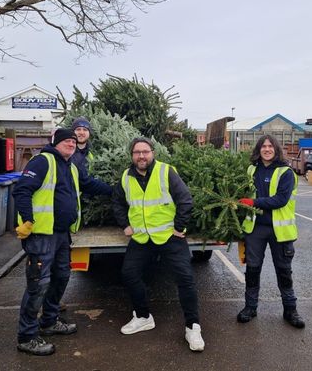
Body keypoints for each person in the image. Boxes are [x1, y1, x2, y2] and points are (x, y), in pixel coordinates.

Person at [13, 128, 112, 356]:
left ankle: (49, 321)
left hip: (61, 235)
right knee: (38, 284)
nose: (71, 143)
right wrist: (27, 219)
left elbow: (90, 185)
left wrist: (116, 190)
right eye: (66, 140)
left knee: (61, 277)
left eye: (73, 141)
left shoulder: (72, 167)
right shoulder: (42, 162)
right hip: (41, 236)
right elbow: (22, 191)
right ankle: (26, 336)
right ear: (55, 142)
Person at [112, 137, 205, 352]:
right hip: (142, 238)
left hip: (169, 237)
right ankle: (143, 317)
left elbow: (185, 200)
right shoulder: (126, 177)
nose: (141, 156)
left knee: (185, 278)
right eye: (137, 152)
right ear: (132, 155)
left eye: (145, 151)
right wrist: (125, 224)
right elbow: (116, 201)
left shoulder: (166, 172)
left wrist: (179, 227)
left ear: (152, 153)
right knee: (129, 274)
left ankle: (193, 327)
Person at [237, 134, 305, 329]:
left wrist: (253, 202)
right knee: (252, 269)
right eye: (263, 147)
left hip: (279, 231)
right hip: (255, 228)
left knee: (284, 271)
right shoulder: (251, 170)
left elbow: (280, 200)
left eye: (270, 146)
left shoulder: (286, 172)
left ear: (276, 149)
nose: (266, 149)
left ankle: (290, 310)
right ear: (258, 150)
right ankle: (250, 307)